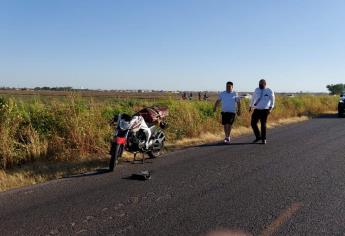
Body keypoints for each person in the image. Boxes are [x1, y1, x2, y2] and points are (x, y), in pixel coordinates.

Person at [249, 79, 275, 144]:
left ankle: (264, 139)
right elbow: (253, 98)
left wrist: (270, 108)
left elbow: (273, 100)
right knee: (253, 123)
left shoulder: (269, 90)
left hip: (265, 110)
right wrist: (250, 106)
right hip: (257, 109)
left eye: (261, 84)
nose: (260, 85)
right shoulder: (256, 90)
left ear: (265, 84)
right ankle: (258, 136)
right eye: (259, 84)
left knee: (263, 124)